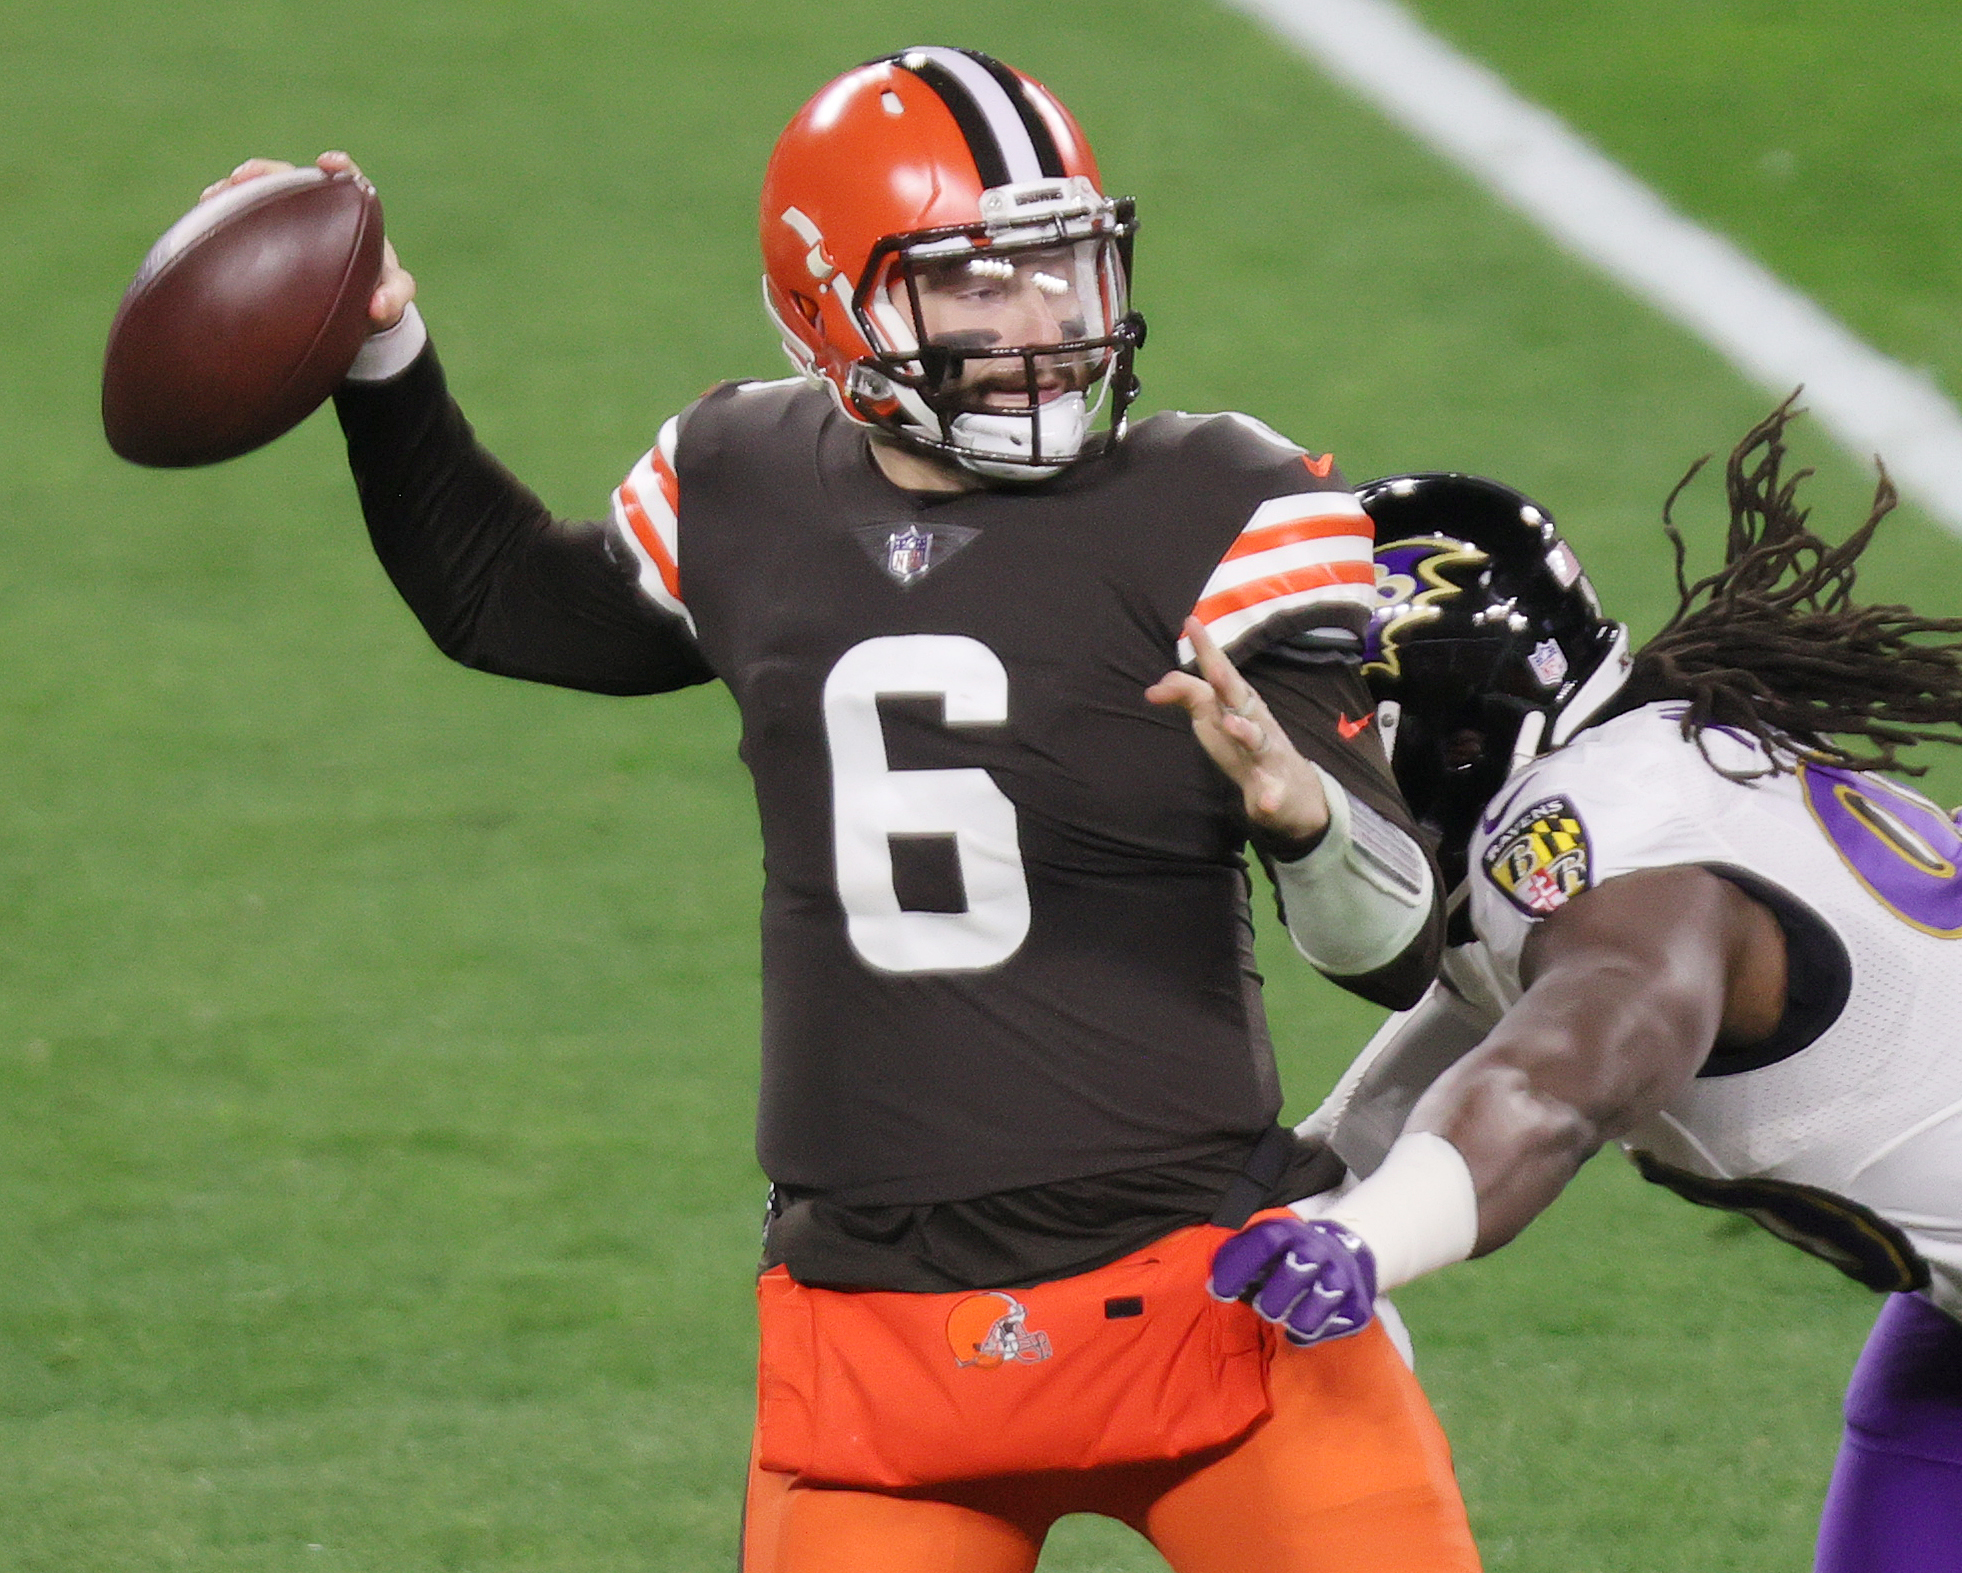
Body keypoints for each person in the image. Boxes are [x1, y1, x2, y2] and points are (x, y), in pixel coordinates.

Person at [207, 46, 1482, 1573]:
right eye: (979, 288)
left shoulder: (1224, 504)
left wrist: (1303, 820)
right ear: (835, 306)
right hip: (874, 1338)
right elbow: (511, 603)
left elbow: (1397, 943)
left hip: (1209, 1292)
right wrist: (379, 354)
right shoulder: (743, 479)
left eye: (1065, 272)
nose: (1044, 330)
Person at [1212, 401, 1962, 1573]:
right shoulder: (1598, 801)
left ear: (1446, 733)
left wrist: (1367, 1240)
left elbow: (1554, 1086)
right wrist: (1293, 1194)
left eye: (1323, 714)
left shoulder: (1609, 860)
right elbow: (1462, 1044)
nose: (1297, 748)